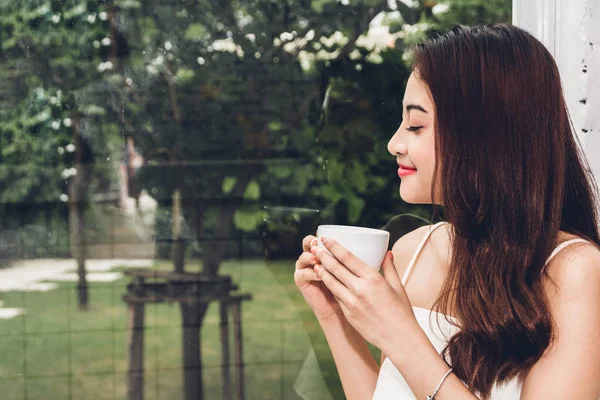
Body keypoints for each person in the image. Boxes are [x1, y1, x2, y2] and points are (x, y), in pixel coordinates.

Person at [294, 24, 600, 399]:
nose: (394, 143)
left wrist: (402, 337)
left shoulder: (575, 272)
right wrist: (333, 316)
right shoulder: (411, 252)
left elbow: (413, 360)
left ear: (484, 137)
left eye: (416, 125)